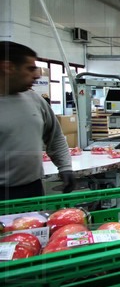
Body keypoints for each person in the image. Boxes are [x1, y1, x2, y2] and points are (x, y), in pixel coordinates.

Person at [0, 41, 75, 199]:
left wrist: (65, 167)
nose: (37, 75)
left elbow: (55, 136)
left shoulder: (34, 99)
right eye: (30, 68)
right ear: (8, 67)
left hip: (32, 188)